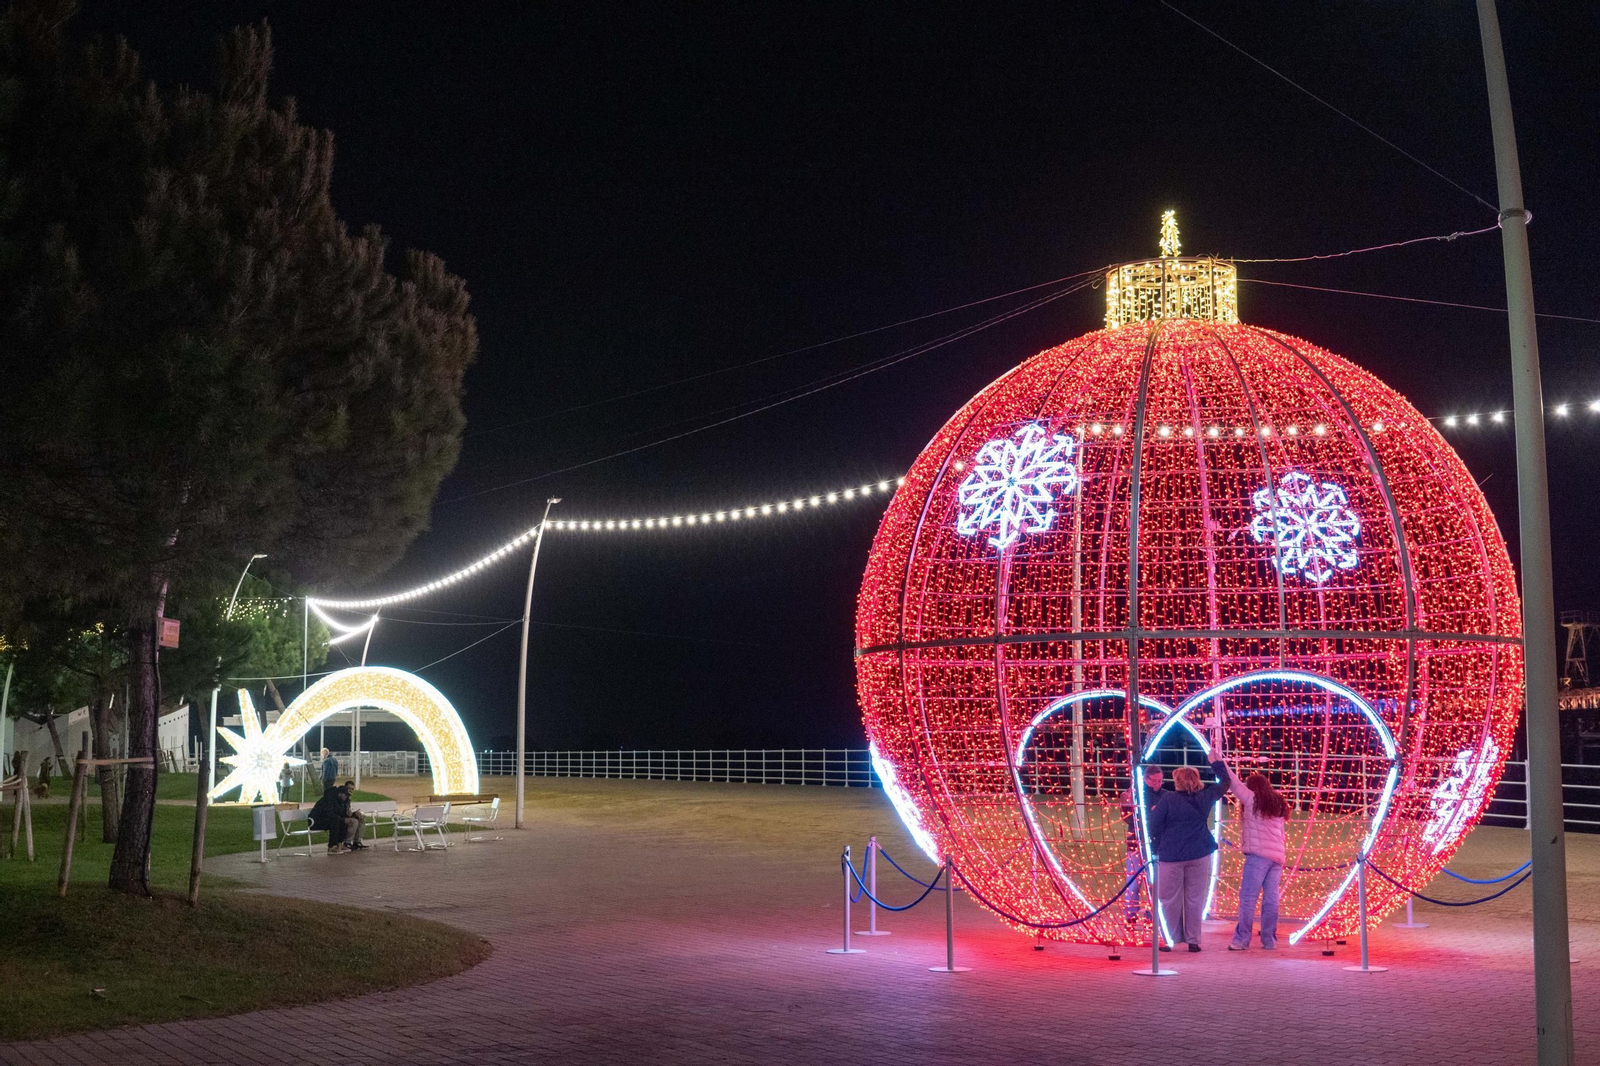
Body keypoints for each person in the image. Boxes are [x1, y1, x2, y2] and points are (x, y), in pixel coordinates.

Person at [1145, 746, 1231, 952]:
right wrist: (1216, 763)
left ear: (1178, 782)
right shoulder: (1205, 797)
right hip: (1199, 852)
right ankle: (1193, 940)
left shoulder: (1168, 799)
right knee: (1195, 898)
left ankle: (1170, 938)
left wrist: (1157, 844)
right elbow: (1225, 782)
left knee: (1169, 898)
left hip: (1171, 854)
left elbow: (1154, 824)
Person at [1226, 768, 1290, 950]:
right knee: (1271, 900)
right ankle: (1269, 940)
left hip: (1258, 856)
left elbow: (1234, 782)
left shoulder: (1252, 799)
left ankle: (1242, 939)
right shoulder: (1278, 803)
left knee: (1248, 898)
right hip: (1277, 857)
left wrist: (1218, 761)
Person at [1120, 764, 1165, 921]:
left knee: (1156, 881)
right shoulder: (1133, 794)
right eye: (1154, 780)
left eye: (1160, 781)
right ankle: (1130, 914)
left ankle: (1153, 913)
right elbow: (1127, 818)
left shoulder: (1166, 795)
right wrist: (1149, 814)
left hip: (1157, 845)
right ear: (1146, 779)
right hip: (1136, 844)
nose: (1157, 784)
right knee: (1133, 881)